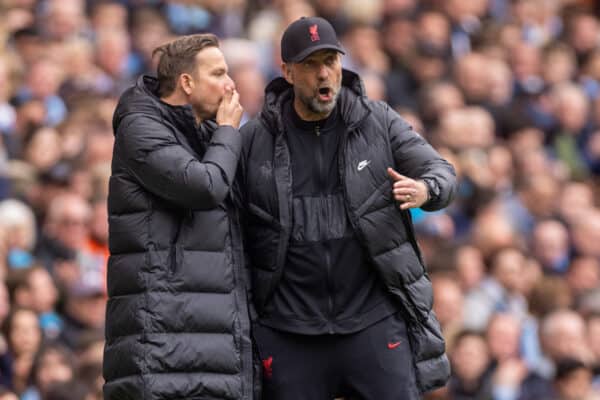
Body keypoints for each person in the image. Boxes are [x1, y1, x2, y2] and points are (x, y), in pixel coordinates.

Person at [237, 16, 457, 399]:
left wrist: (425, 188)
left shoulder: (378, 121)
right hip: (290, 332)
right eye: (311, 64)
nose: (324, 73)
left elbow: (442, 171)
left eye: (331, 61)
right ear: (287, 72)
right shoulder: (253, 140)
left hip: (372, 322)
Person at [103, 34, 255, 399]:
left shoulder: (205, 135)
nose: (230, 84)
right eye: (218, 73)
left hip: (214, 340)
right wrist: (228, 131)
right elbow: (204, 187)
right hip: (162, 345)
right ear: (186, 82)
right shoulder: (140, 128)